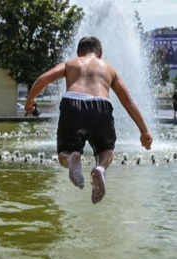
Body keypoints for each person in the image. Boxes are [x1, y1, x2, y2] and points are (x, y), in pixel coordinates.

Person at [25, 36, 153, 204]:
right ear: (100, 53)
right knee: (106, 150)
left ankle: (71, 159)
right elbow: (128, 101)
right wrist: (144, 130)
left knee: (64, 152)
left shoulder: (71, 63)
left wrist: (30, 101)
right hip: (101, 105)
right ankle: (100, 168)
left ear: (79, 52)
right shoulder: (109, 69)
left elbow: (43, 79)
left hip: (72, 103)